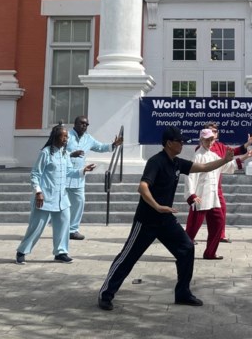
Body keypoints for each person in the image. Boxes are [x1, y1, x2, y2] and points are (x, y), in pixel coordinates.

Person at [97, 126, 236, 311]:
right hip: (147, 219)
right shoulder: (156, 162)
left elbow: (203, 167)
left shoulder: (177, 163)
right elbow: (143, 187)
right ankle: (105, 294)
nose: (182, 144)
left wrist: (224, 160)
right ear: (169, 143)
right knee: (128, 257)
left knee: (186, 248)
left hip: (166, 220)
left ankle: (183, 293)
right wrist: (156, 206)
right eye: (180, 141)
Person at [15, 124, 94, 264]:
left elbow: (69, 171)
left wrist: (83, 170)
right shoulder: (45, 153)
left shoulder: (64, 153)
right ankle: (22, 251)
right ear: (56, 137)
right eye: (64, 136)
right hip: (44, 197)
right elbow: (35, 174)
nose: (66, 139)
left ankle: (61, 252)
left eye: (67, 137)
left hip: (62, 198)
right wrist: (38, 192)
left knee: (64, 225)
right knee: (36, 227)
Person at [185, 128, 252, 260]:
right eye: (207, 140)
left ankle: (210, 253)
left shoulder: (213, 155)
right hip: (200, 198)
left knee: (218, 222)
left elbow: (228, 166)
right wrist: (192, 195)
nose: (210, 142)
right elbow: (190, 176)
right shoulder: (198, 155)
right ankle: (181, 251)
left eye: (212, 139)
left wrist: (246, 156)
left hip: (213, 197)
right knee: (192, 229)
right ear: (201, 140)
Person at [66, 115, 122, 241]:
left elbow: (100, 147)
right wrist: (71, 154)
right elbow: (57, 151)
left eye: (86, 124)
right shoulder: (67, 136)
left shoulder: (88, 139)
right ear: (75, 124)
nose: (84, 126)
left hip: (78, 176)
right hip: (63, 175)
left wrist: (114, 144)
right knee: (59, 204)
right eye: (82, 123)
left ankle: (73, 230)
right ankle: (56, 226)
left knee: (79, 202)